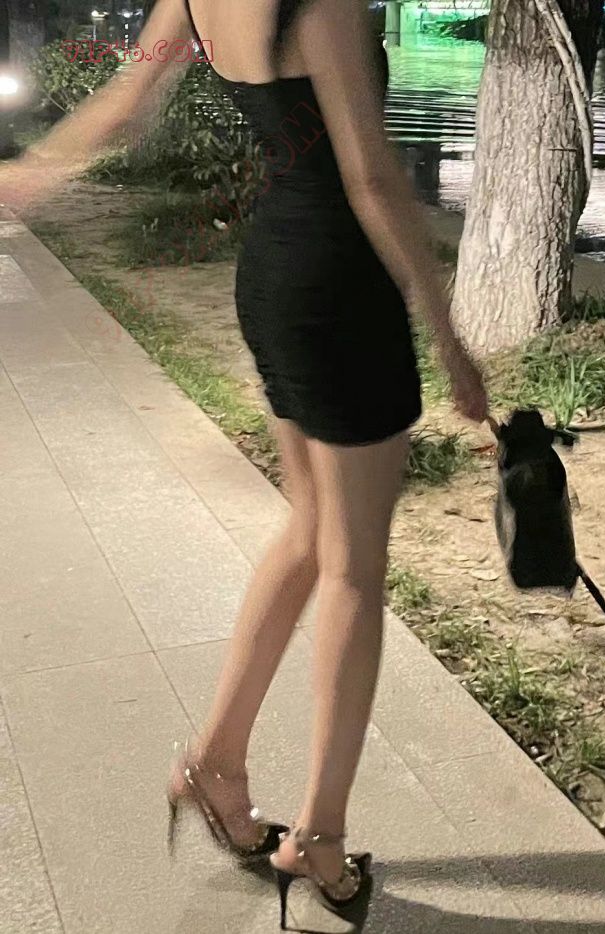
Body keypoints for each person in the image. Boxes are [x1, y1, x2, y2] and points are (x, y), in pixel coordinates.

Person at [1, 0, 487, 926]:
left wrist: (29, 171)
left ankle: (215, 762)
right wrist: (449, 335)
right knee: (354, 568)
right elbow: (370, 177)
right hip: (341, 289)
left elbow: (126, 103)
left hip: (271, 275)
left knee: (311, 532)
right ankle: (320, 840)